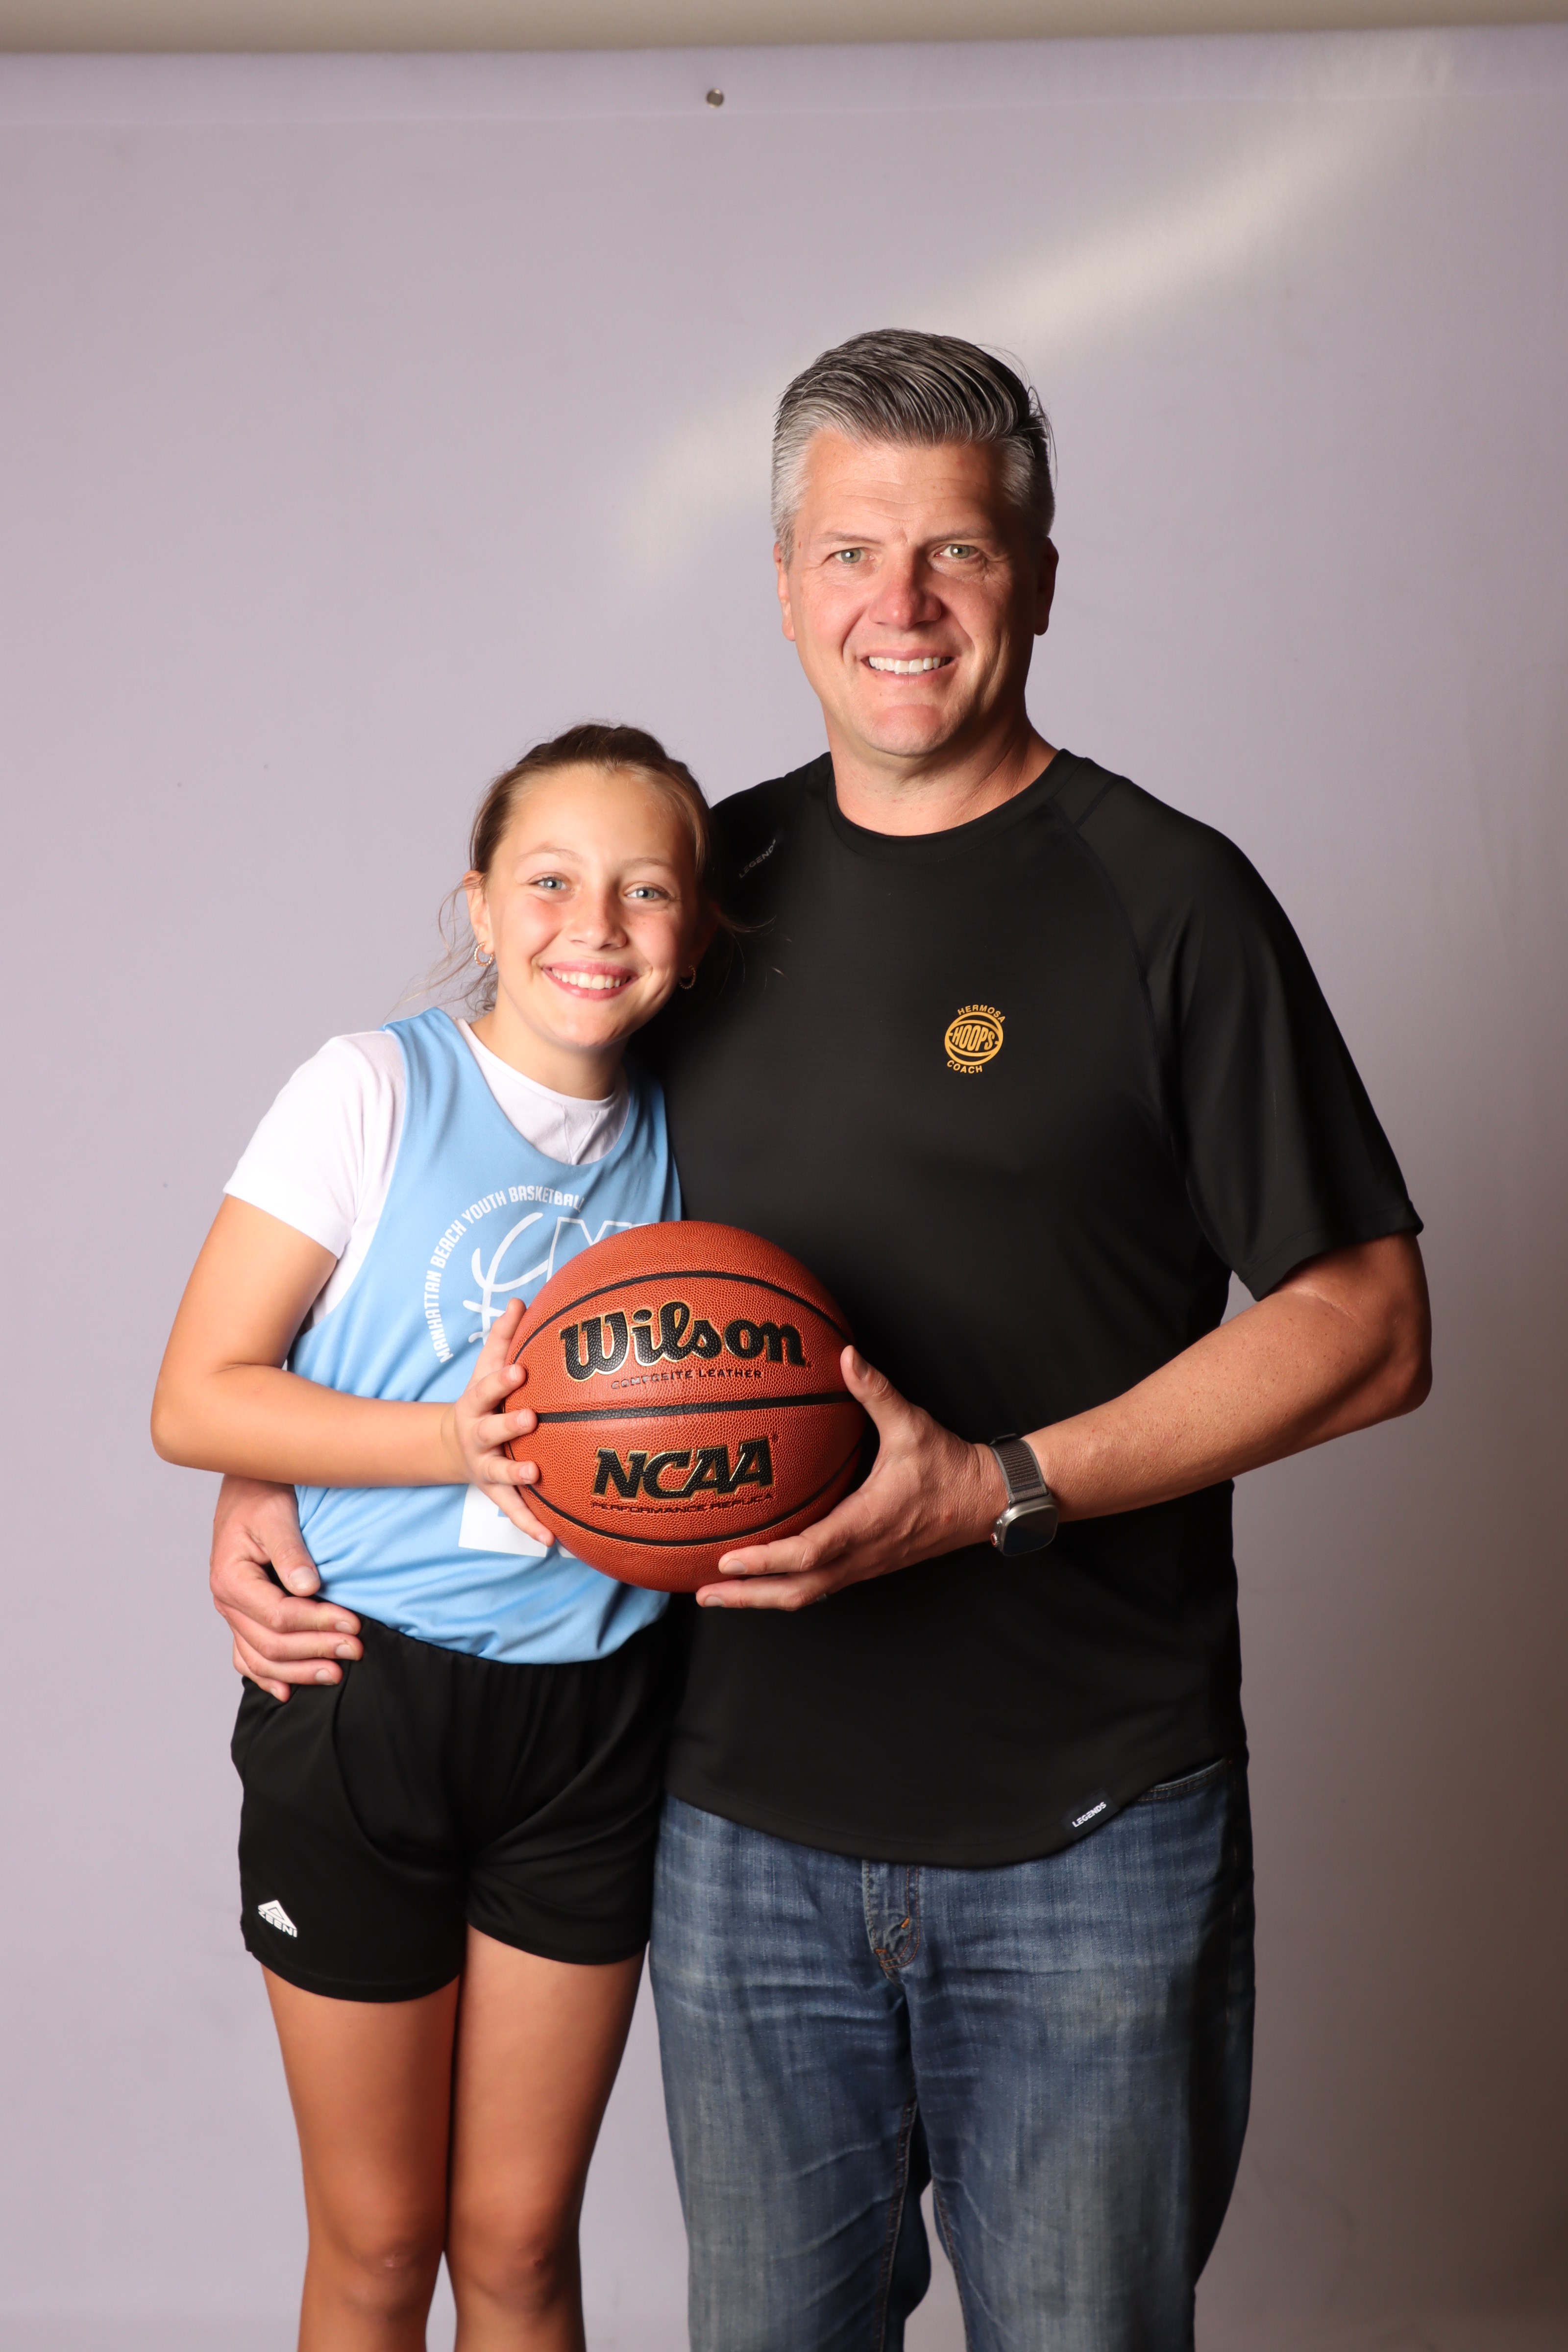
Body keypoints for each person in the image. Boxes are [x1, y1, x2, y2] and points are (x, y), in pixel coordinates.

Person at [209, 333, 1432, 2352]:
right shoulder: (706, 894)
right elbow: (475, 1211)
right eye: (852, 552)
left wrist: (1001, 1487)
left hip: (1086, 1821)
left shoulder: (1170, 902)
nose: (902, 605)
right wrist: (282, 1461)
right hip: (732, 1822)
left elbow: (1367, 1325)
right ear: (783, 583)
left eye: (959, 552)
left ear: (1042, 578)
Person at [152, 724, 720, 2352]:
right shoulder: (374, 1088)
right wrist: (446, 1445)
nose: (593, 925)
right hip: (368, 1699)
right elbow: (197, 1397)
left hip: (593, 1726)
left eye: (644, 890)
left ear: (693, 934)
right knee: (382, 2242)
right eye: (550, 881)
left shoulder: (695, 1136)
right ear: (479, 905)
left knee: (522, 2247)